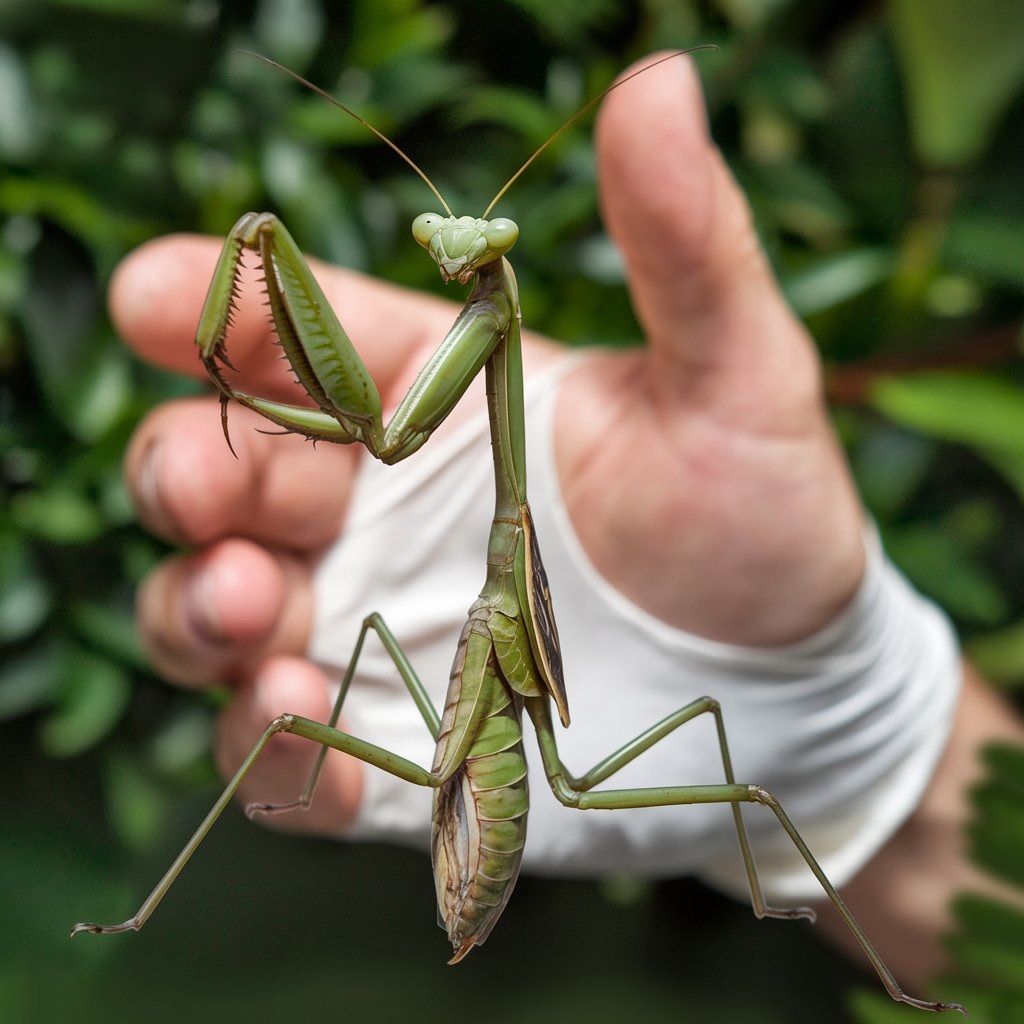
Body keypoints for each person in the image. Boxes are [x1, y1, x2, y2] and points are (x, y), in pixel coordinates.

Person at [112, 55, 1022, 988]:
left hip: (509, 768)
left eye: (478, 251)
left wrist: (876, 741)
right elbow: (379, 438)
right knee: (350, 653)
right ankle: (298, 787)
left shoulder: (487, 334)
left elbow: (379, 438)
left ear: (498, 279)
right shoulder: (483, 347)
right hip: (494, 664)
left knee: (299, 718)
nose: (456, 258)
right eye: (441, 241)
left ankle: (141, 911)